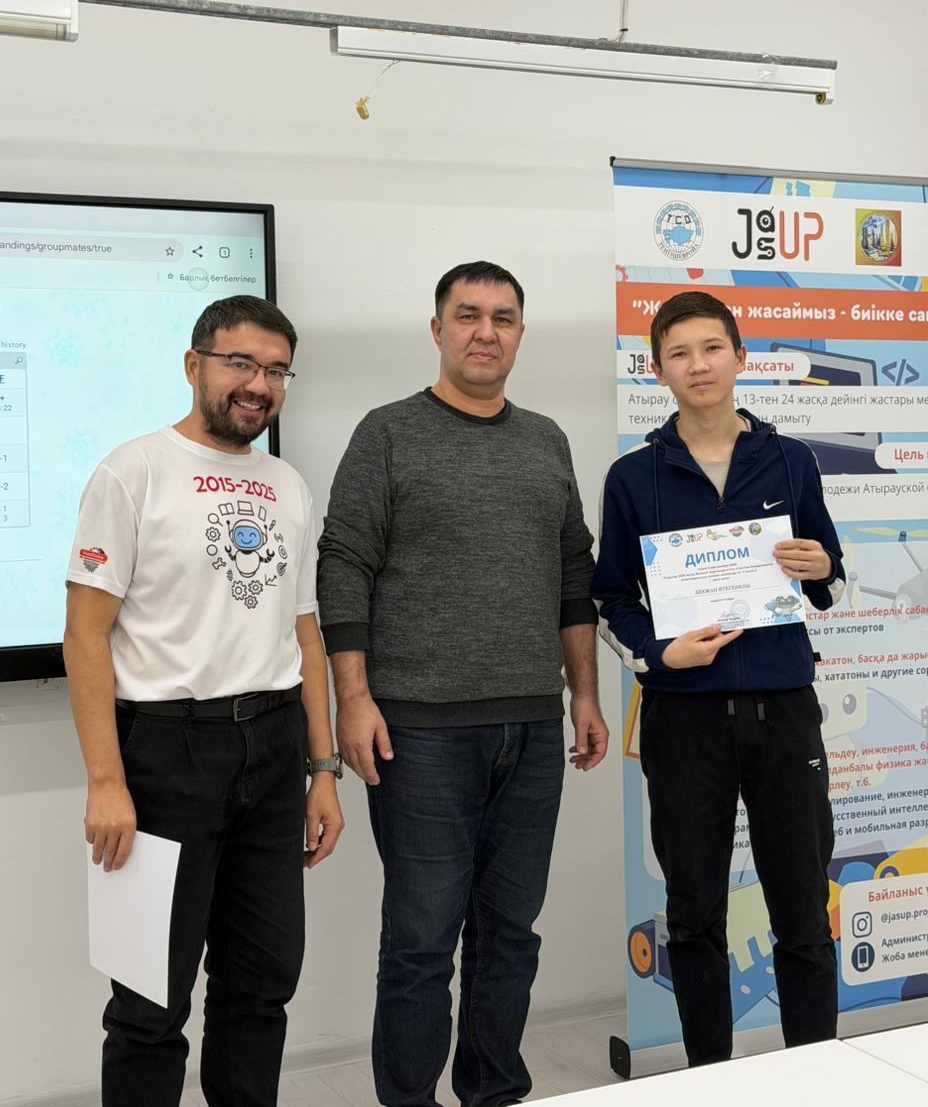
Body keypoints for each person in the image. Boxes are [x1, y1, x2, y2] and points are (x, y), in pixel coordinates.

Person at [317, 261, 609, 1107]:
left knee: (510, 937)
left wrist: (584, 695)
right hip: (419, 733)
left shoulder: (547, 439)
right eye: (469, 314)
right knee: (420, 944)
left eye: (503, 317)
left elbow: (573, 576)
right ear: (437, 329)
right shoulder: (388, 433)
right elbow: (344, 566)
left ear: (520, 332)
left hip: (532, 727)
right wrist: (353, 699)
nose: (486, 331)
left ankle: (494, 1092)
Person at [63, 295, 344, 1107]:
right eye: (240, 364)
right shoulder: (133, 472)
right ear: (196, 365)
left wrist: (323, 770)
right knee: (149, 1002)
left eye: (277, 370)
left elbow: (306, 633)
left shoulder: (288, 485)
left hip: (273, 748)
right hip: (164, 756)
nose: (259, 385)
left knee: (261, 987)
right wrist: (106, 781)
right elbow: (85, 635)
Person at [592, 290, 845, 1067]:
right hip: (684, 718)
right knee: (694, 914)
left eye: (711, 349)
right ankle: (708, 1079)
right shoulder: (634, 476)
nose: (697, 365)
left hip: (784, 711)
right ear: (657, 369)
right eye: (679, 353)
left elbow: (829, 580)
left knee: (802, 910)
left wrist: (821, 566)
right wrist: (660, 654)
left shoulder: (791, 460)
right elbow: (610, 600)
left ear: (739, 356)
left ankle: (816, 1075)